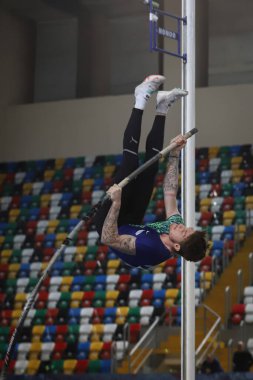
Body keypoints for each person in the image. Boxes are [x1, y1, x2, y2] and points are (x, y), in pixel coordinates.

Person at [94, 75, 207, 269]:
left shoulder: (150, 249)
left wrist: (116, 203)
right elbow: (170, 192)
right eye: (189, 229)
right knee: (151, 169)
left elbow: (108, 238)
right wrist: (174, 154)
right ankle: (162, 106)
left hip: (109, 224)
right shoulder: (172, 229)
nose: (184, 227)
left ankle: (140, 98)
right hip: (131, 220)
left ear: (176, 245)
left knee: (130, 164)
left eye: (185, 232)